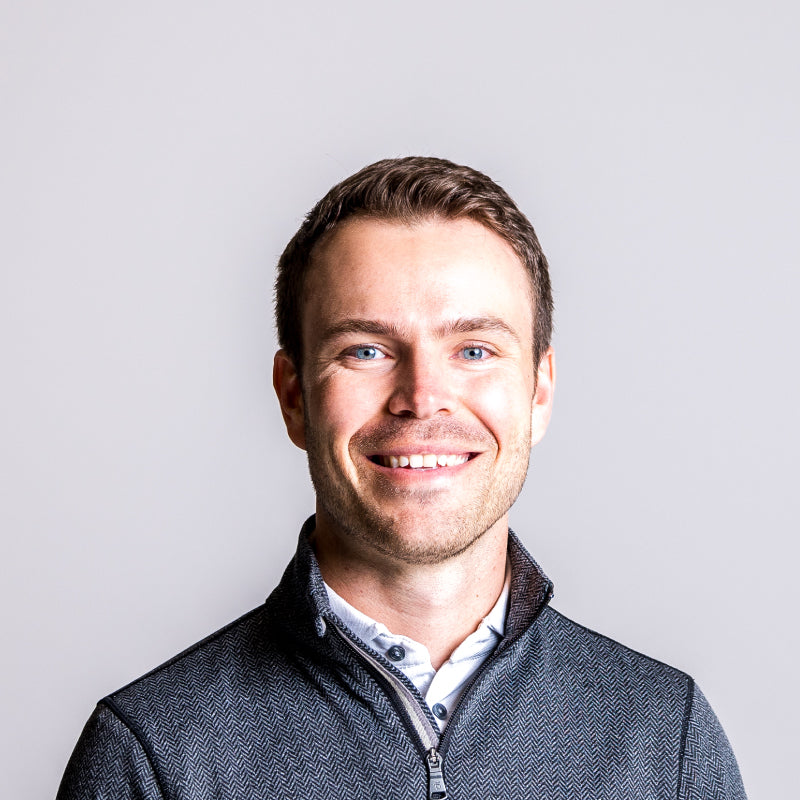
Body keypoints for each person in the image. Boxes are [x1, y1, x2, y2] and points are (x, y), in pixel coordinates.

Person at [57, 157, 747, 799]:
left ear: (539, 392)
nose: (422, 397)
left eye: (474, 350)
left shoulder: (666, 740)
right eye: (366, 350)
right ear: (294, 396)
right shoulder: (153, 756)